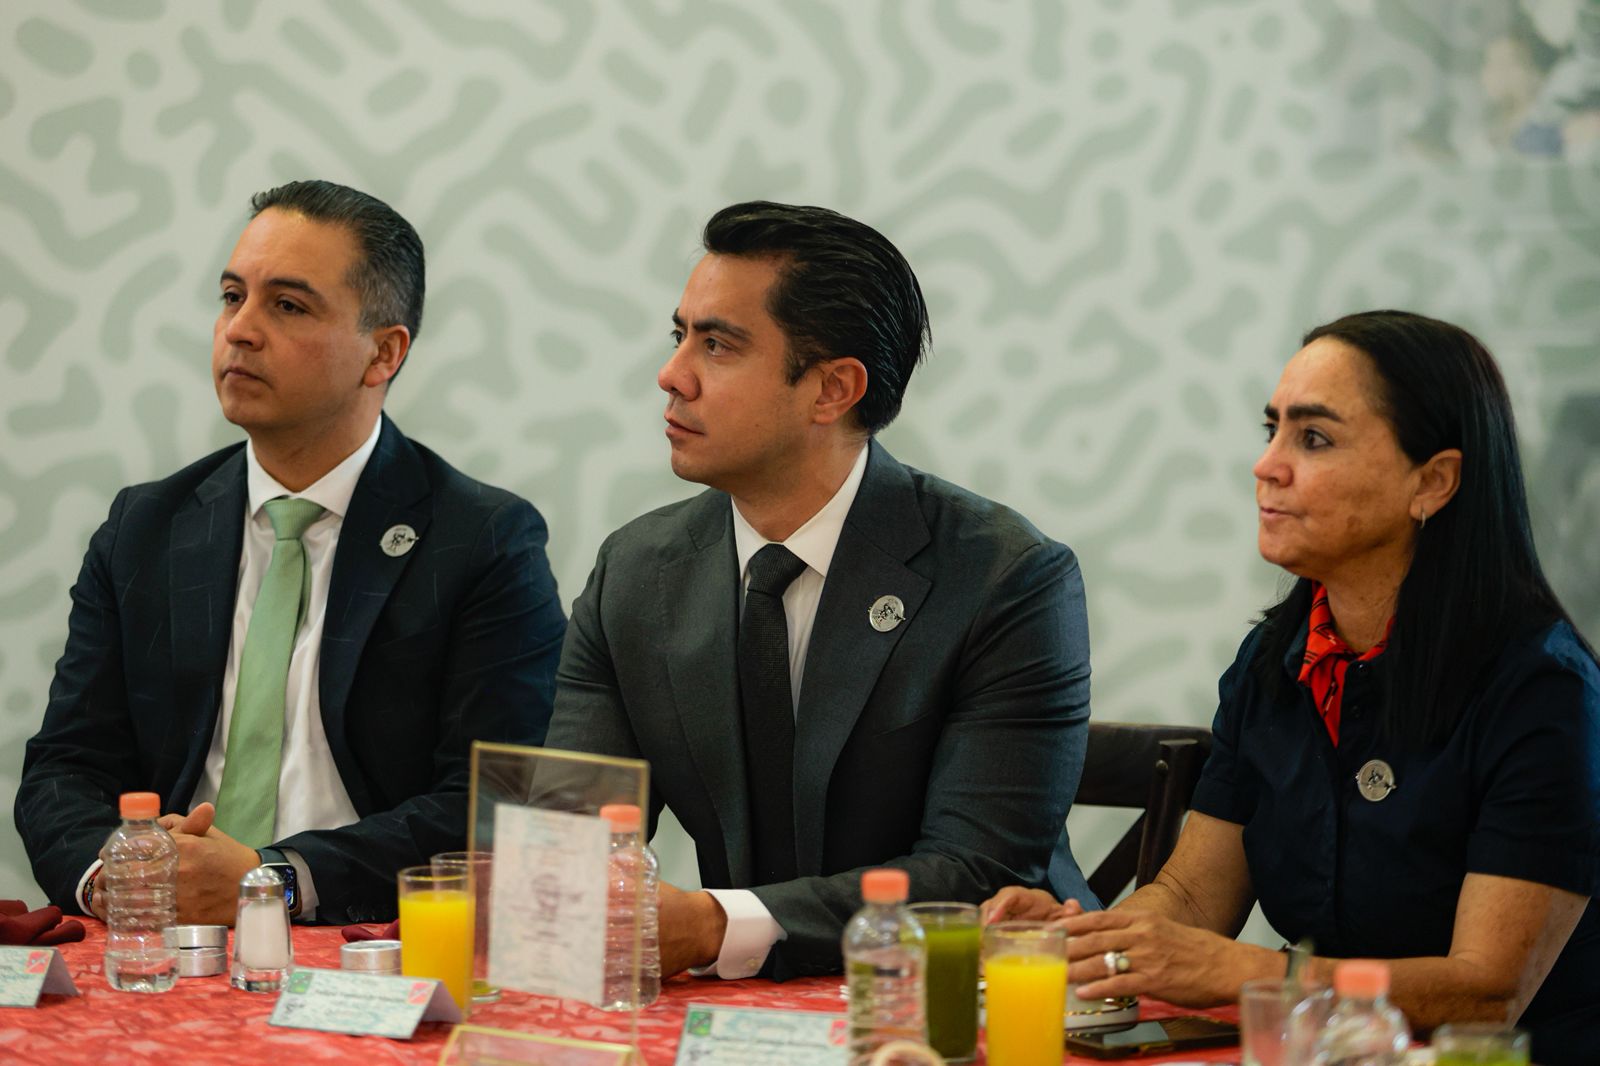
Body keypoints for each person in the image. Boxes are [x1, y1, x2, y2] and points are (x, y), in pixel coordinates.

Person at [983, 311, 1599, 1065]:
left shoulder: (1544, 691)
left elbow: (1488, 993)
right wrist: (1081, 937)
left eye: (1313, 439)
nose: (1266, 465)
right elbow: (1190, 902)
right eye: (1270, 430)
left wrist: (1254, 972)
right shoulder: (1275, 659)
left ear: (1432, 482)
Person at [544, 200, 1093, 981]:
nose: (672, 375)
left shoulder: (1006, 578)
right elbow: (571, 838)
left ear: (832, 390)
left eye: (719, 346)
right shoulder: (635, 572)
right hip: (732, 1015)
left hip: (958, 1000)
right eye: (680, 336)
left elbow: (973, 876)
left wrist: (714, 924)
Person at [16, 180, 566, 927]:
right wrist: (119, 879)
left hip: (360, 940)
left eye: (287, 305)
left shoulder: (481, 540)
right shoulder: (145, 527)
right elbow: (66, 767)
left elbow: (493, 806)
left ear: (384, 352)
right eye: (231, 296)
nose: (240, 329)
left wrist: (271, 879)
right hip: (159, 946)